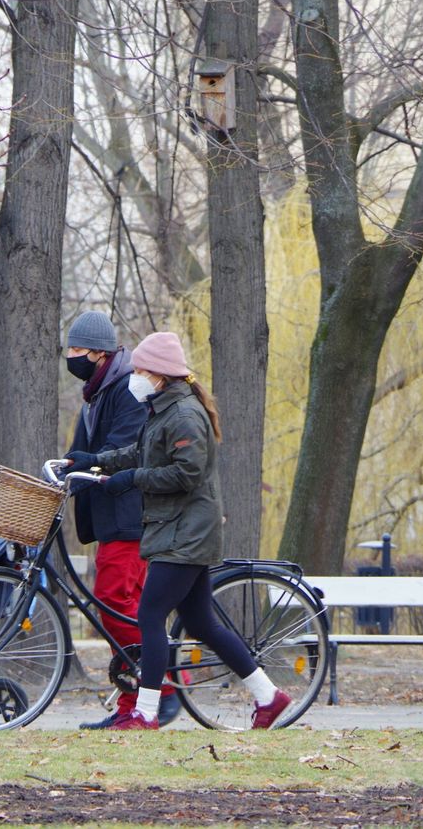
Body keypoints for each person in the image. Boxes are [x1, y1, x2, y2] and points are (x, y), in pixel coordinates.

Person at [65, 331, 292, 730]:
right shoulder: (163, 409)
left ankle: (147, 712)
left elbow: (186, 474)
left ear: (159, 373)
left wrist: (133, 479)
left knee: (150, 615)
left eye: (140, 370)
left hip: (187, 533)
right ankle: (269, 697)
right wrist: (96, 461)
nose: (134, 375)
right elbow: (139, 453)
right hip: (180, 530)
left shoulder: (185, 415)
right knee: (202, 623)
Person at [63, 311, 181, 729]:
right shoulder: (97, 391)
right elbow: (84, 447)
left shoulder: (125, 391)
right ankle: (135, 700)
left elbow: (123, 447)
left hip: (130, 516)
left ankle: (161, 688)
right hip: (112, 517)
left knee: (114, 600)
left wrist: (89, 466)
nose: (70, 356)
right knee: (128, 606)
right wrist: (65, 468)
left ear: (98, 353)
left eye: (76, 350)